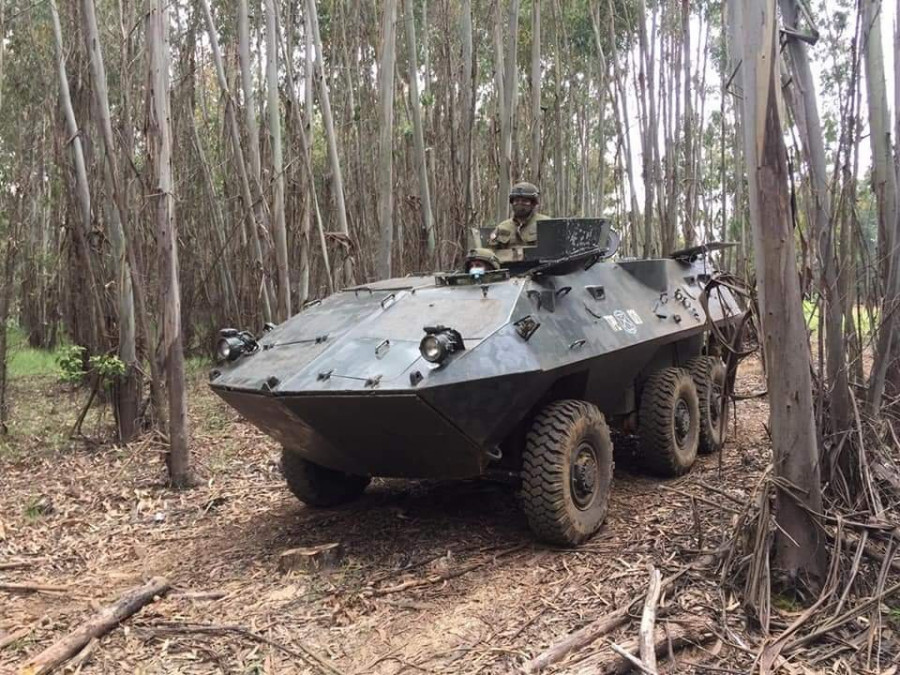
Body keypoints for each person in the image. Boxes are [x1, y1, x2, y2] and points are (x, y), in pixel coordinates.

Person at [488, 182, 550, 248]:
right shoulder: (502, 227)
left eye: (525, 201)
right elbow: (492, 252)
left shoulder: (546, 224)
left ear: (533, 203)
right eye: (516, 201)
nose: (519, 204)